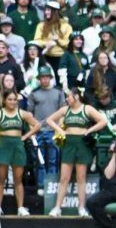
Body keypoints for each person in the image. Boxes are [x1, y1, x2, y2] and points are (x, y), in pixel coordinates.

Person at [45, 88, 109, 217]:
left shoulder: (87, 109)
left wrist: (90, 130)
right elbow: (49, 120)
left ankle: (81, 208)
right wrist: (60, 130)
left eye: (69, 96)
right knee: (64, 178)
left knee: (81, 177)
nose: (67, 99)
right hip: (69, 144)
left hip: (82, 144)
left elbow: (104, 121)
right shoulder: (65, 110)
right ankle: (57, 208)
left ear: (76, 96)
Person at [0, 89, 42, 215]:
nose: (12, 102)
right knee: (1, 179)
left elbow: (38, 125)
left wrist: (25, 136)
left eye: (14, 99)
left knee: (18, 179)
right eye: (10, 99)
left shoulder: (22, 113)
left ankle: (20, 208)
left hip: (17, 145)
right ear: (4, 100)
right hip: (3, 145)